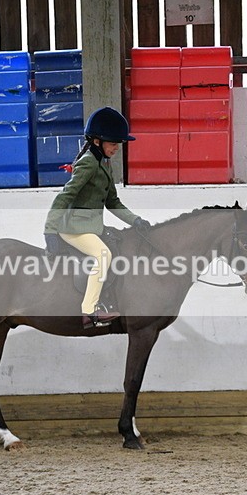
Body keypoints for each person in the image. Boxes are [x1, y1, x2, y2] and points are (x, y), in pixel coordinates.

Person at [44, 107, 150, 329]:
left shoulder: (104, 163)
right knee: (103, 255)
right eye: (112, 142)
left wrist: (135, 220)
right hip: (73, 228)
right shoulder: (89, 162)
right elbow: (65, 196)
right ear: (96, 141)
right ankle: (89, 311)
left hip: (91, 226)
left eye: (118, 143)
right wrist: (50, 230)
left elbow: (113, 202)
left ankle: (107, 297)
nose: (116, 147)